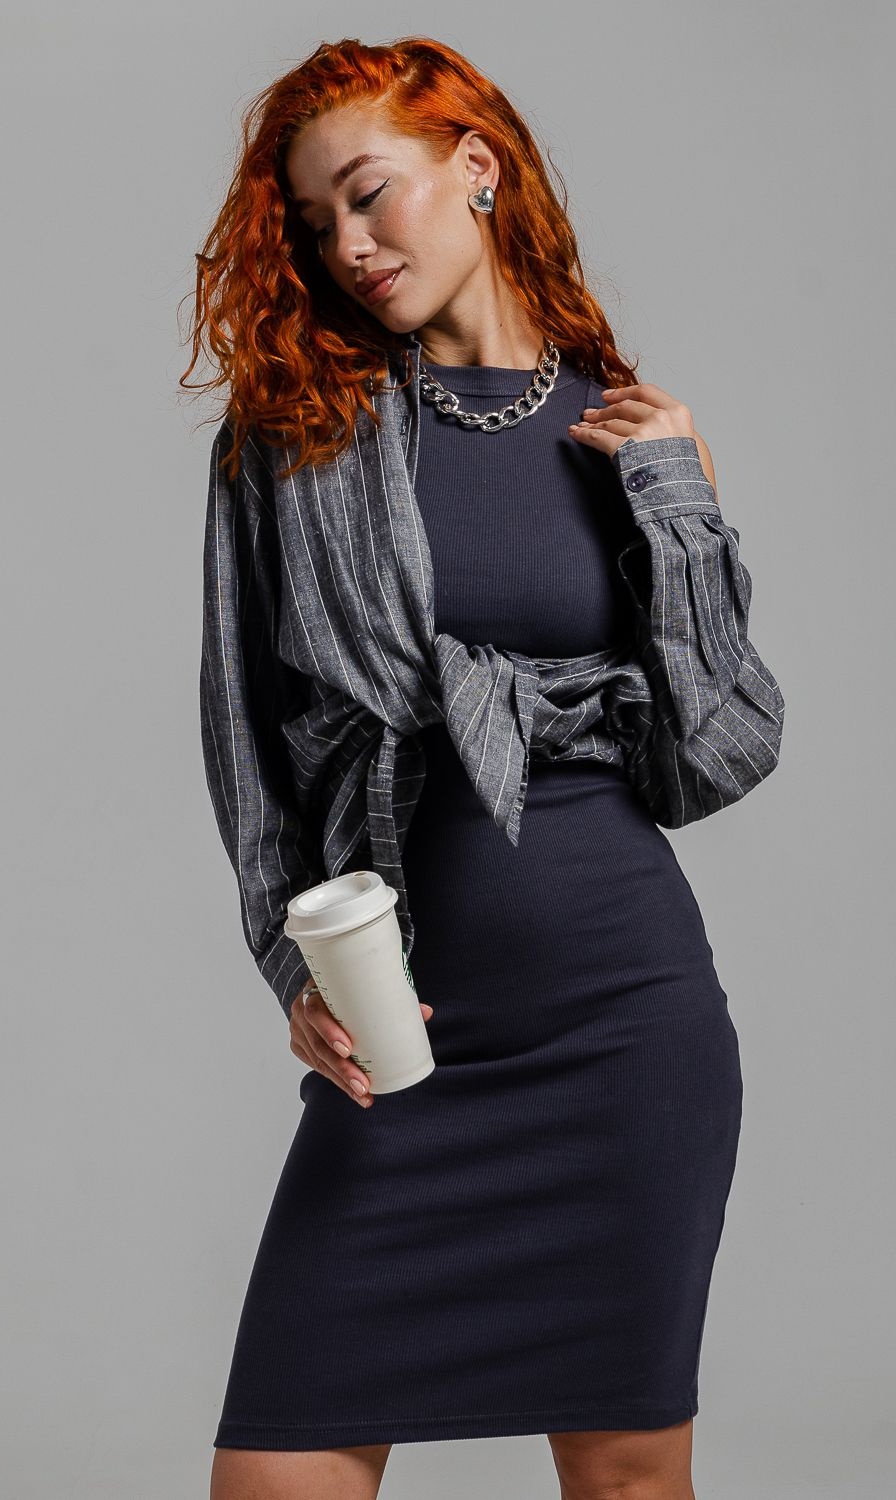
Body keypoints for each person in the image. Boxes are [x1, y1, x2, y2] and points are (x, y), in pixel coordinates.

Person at [182, 35, 785, 1500]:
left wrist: (682, 509)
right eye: (315, 221)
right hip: (412, 1040)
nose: (347, 244)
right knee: (277, 1473)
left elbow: (717, 749)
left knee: (630, 1477)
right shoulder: (297, 439)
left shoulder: (626, 434)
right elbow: (246, 737)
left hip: (624, 1023)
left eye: (368, 193)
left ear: (477, 167)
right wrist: (290, 962)